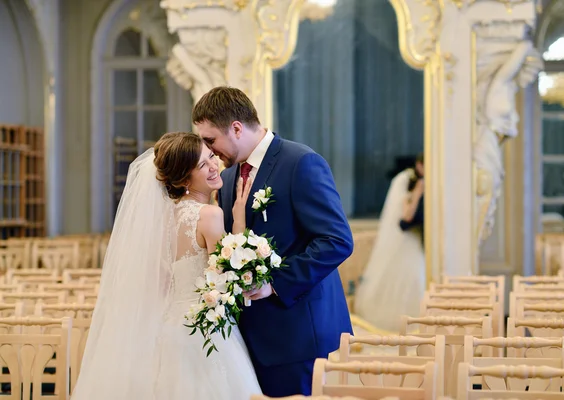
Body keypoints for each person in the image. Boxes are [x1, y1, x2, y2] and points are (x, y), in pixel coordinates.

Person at [71, 132, 262, 399]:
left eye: (211, 158)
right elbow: (229, 277)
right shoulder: (210, 215)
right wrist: (239, 223)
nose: (213, 166)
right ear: (184, 179)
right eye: (201, 165)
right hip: (204, 331)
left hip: (168, 331)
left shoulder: (161, 217)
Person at [193, 86, 354, 397]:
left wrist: (275, 282)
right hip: (249, 341)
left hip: (301, 336)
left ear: (236, 128)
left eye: (211, 141)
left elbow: (337, 240)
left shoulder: (301, 162)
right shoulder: (226, 181)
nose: (210, 152)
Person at [354, 153, 426, 332]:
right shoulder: (408, 183)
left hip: (420, 242)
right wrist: (418, 192)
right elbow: (406, 217)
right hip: (407, 240)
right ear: (419, 166)